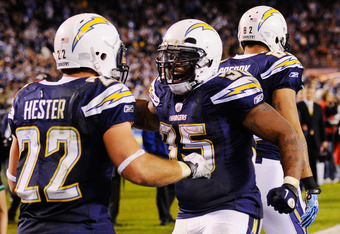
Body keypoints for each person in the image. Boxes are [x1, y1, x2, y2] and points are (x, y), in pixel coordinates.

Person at [6, 13, 211, 233]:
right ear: (100, 53)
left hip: (29, 227)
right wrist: (188, 166)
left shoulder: (26, 95)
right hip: (83, 226)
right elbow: (137, 169)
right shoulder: (103, 93)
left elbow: (13, 182)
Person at [134, 19, 304, 233]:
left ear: (206, 60)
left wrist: (290, 183)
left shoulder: (226, 90)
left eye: (182, 57)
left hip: (232, 208)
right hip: (186, 210)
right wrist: (114, 107)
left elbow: (287, 133)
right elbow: (148, 117)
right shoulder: (163, 93)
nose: (172, 63)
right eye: (169, 56)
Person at [220, 5, 321, 233]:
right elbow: (291, 128)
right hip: (269, 167)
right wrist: (309, 184)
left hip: (226, 171)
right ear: (274, 34)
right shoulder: (279, 62)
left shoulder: (221, 68)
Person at [142, 130, 175, 226]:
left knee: (173, 186)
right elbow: (148, 138)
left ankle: (166, 214)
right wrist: (155, 153)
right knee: (162, 188)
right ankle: (164, 217)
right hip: (160, 156)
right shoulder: (154, 119)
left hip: (171, 155)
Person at [297, 82, 328, 186]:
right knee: (305, 161)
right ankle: (304, 183)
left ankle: (314, 183)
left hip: (316, 139)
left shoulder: (317, 107)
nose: (310, 94)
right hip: (304, 138)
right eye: (308, 92)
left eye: (311, 93)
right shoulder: (299, 105)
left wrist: (324, 140)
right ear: (305, 93)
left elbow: (321, 124)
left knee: (314, 161)